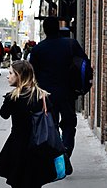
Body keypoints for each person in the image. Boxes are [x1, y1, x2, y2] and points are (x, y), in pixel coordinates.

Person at [29, 17, 88, 176]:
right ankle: (66, 151)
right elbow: (84, 64)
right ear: (58, 28)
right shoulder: (70, 44)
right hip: (68, 93)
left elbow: (32, 76)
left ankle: (58, 157)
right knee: (69, 124)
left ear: (44, 30)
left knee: (51, 127)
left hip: (46, 96)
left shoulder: (38, 50)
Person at [0, 60, 56, 188]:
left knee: (18, 181)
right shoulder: (42, 96)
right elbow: (52, 120)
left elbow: (4, 114)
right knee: (35, 182)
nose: (8, 76)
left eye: (11, 73)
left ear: (19, 76)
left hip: (18, 145)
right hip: (39, 144)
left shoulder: (13, 97)